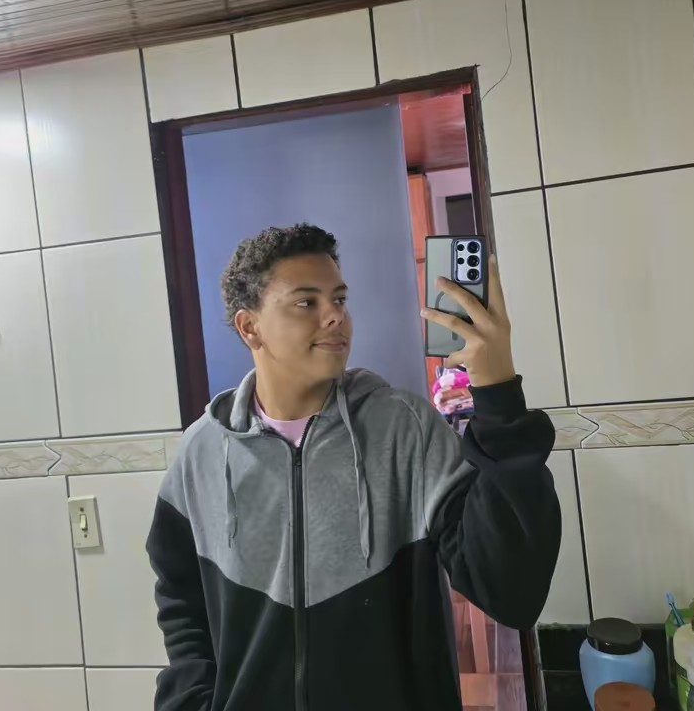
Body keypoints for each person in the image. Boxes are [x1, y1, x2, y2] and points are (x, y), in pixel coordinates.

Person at [146, 223, 561, 711]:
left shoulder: (404, 430)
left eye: (339, 299)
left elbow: (512, 592)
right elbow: (180, 596)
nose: (335, 317)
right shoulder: (201, 452)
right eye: (307, 302)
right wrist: (190, 698)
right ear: (249, 327)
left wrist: (499, 394)